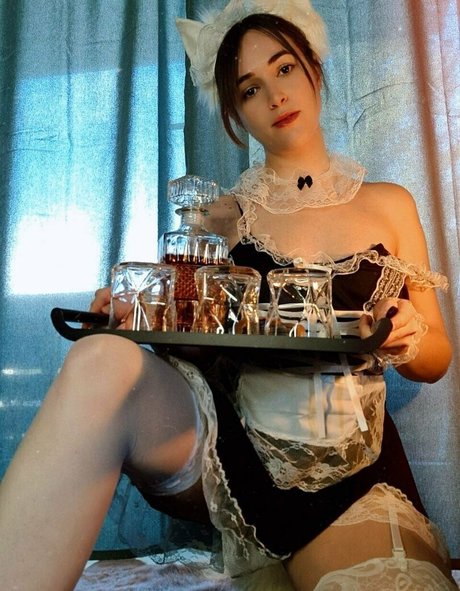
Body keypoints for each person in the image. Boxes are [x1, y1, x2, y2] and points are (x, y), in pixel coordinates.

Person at [0, 1, 455, 590]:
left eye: (284, 68)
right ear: (235, 113)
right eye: (250, 89)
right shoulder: (217, 218)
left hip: (348, 464)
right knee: (100, 358)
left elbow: (437, 359)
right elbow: (189, 340)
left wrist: (405, 334)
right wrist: (134, 314)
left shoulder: (389, 204)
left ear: (313, 67)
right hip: (230, 453)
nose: (275, 96)